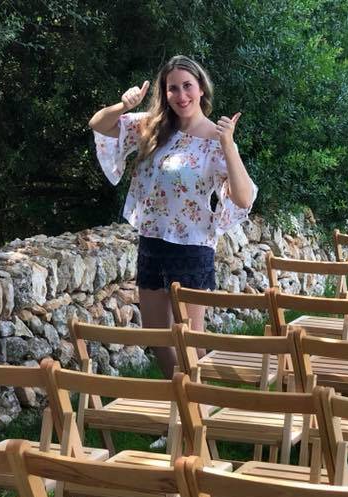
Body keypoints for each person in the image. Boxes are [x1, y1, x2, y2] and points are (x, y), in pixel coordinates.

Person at [89, 55, 257, 376]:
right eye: (173, 88)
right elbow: (99, 124)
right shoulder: (153, 127)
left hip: (191, 247)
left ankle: (199, 412)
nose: (182, 96)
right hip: (152, 242)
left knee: (190, 340)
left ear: (201, 89)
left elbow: (244, 196)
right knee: (158, 335)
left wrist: (229, 145)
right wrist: (123, 105)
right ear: (164, 93)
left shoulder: (215, 139)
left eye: (188, 86)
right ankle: (180, 407)